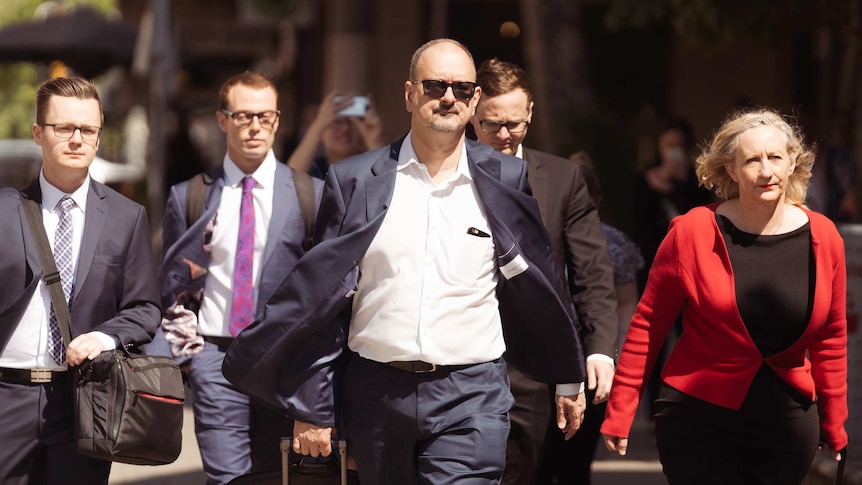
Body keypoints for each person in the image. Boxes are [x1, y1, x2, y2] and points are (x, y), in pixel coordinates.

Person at [222, 38, 588, 485]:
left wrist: (567, 374)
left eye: (461, 88)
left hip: (472, 393)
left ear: (475, 101)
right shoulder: (354, 179)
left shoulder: (507, 177)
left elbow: (540, 282)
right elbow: (324, 300)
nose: (448, 97)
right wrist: (312, 405)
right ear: (410, 94)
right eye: (434, 86)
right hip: (377, 394)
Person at [601, 109, 848, 484]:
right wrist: (621, 408)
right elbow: (648, 325)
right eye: (752, 160)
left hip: (786, 424)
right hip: (698, 421)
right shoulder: (692, 231)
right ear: (731, 170)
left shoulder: (824, 236)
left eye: (775, 157)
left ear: (792, 162)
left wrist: (834, 420)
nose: (766, 171)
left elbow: (831, 336)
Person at [154, 71, 323, 484]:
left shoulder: (311, 194)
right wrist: (192, 360)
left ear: (277, 120)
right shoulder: (191, 195)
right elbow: (172, 288)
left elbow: (323, 293)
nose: (254, 127)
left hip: (283, 366)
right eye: (243, 116)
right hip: (216, 361)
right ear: (222, 119)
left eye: (264, 117)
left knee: (280, 475)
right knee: (227, 478)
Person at [0, 76, 161, 484]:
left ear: (99, 136)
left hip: (84, 400)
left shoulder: (127, 218)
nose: (76, 139)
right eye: (63, 128)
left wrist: (104, 337)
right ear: (38, 133)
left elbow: (144, 308)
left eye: (87, 130)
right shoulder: (4, 210)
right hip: (7, 395)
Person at [468, 58, 617, 485]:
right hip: (456, 356)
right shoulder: (447, 172)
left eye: (514, 123)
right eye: (491, 124)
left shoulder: (563, 178)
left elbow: (591, 272)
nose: (503, 134)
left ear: (530, 112)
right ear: (473, 111)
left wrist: (599, 349)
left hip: (530, 367)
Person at [537, 151, 644, 484]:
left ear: (595, 200)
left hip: (591, 360)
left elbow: (627, 303)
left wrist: (616, 358)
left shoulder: (613, 243)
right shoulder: (534, 235)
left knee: (573, 461)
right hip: (539, 362)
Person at [286, 91, 384, 180]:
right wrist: (318, 125)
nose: (345, 129)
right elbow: (289, 180)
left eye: (352, 123)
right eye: (336, 122)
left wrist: (374, 141)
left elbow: (389, 182)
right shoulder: (314, 168)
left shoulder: (371, 168)